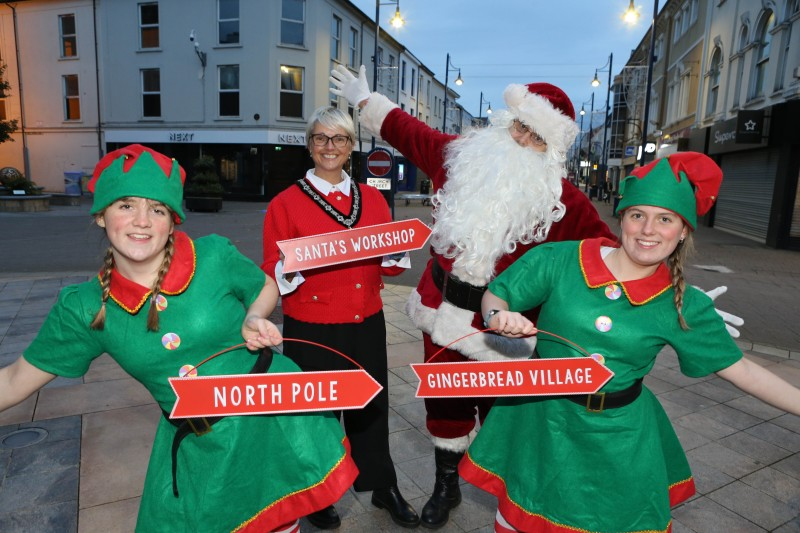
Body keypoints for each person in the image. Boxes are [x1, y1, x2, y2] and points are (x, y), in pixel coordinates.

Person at [0, 144, 358, 533]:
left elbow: (264, 285)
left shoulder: (213, 255)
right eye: (125, 205)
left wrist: (255, 315)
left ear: (172, 221)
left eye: (157, 209)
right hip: (205, 447)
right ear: (101, 216)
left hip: (275, 417)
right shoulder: (85, 309)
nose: (142, 221)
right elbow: (14, 381)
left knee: (281, 523)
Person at [330, 64, 621, 528]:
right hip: (441, 312)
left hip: (503, 329)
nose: (522, 140)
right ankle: (447, 484)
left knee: (501, 411)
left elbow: (609, 252)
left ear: (553, 149)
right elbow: (411, 132)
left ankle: (504, 482)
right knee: (444, 404)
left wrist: (668, 287)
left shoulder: (564, 201)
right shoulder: (461, 156)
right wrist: (367, 102)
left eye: (536, 137)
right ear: (508, 123)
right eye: (520, 127)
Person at [462, 152, 800, 533]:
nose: (648, 229)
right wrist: (498, 317)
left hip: (618, 437)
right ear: (621, 218)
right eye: (638, 214)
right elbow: (497, 294)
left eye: (666, 219)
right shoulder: (560, 259)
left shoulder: (684, 303)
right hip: (539, 421)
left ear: (684, 230)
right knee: (524, 518)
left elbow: (745, 371)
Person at [261, 106, 419, 529]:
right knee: (319, 411)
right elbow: (270, 271)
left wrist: (395, 252)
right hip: (311, 326)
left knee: (372, 405)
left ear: (351, 147)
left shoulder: (371, 199)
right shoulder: (285, 203)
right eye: (321, 138)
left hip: (366, 318)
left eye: (340, 139)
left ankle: (382, 486)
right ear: (310, 145)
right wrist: (288, 269)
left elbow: (386, 264)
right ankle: (320, 492)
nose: (330, 147)